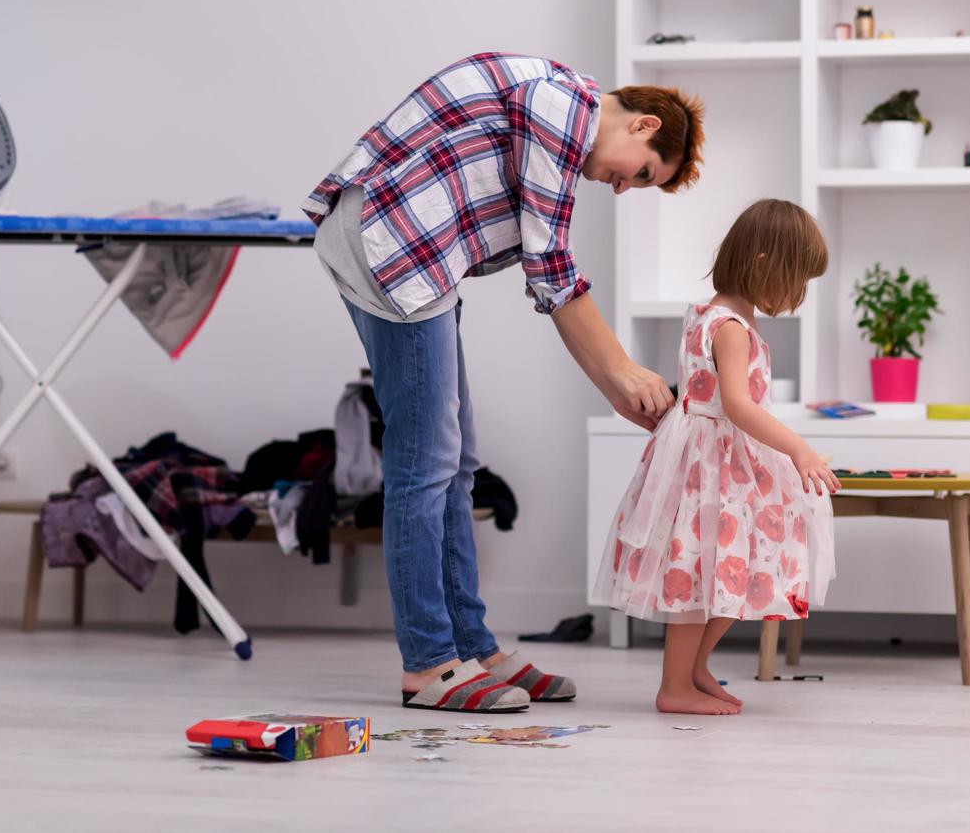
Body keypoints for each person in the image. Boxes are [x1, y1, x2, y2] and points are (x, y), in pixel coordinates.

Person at [304, 52, 704, 712]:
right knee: (423, 463)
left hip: (417, 255)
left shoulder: (556, 104)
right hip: (392, 248)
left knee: (455, 462)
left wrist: (618, 380)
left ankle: (475, 648)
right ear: (643, 126)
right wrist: (622, 375)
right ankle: (428, 665)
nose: (623, 187)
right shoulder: (558, 108)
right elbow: (549, 268)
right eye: (641, 175)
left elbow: (547, 272)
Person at [591, 198, 839, 715]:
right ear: (765, 263)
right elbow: (736, 404)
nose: (799, 294)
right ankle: (674, 686)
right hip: (712, 466)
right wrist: (797, 449)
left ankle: (695, 669)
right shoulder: (729, 327)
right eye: (799, 279)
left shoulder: (714, 316)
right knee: (701, 571)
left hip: (723, 462)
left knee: (736, 564)